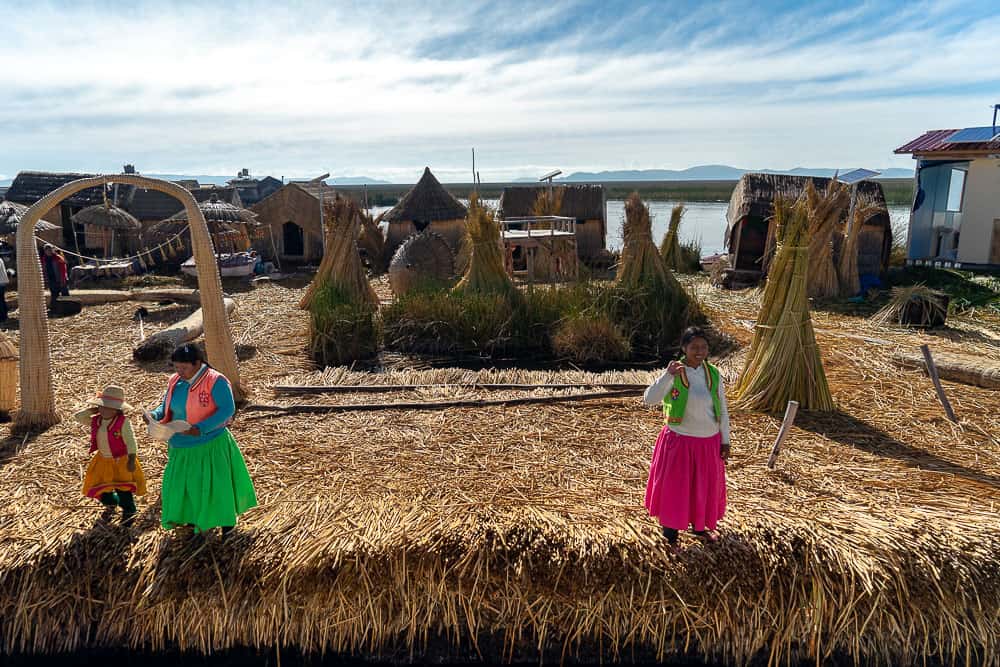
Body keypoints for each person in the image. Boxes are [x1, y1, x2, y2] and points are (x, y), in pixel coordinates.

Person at [149, 344, 257, 536]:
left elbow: (227, 409)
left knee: (216, 485)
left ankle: (226, 523)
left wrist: (200, 428)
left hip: (210, 444)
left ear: (197, 363)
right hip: (181, 445)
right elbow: (166, 405)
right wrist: (155, 415)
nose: (179, 372)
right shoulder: (175, 381)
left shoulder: (216, 381)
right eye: (176, 367)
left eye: (184, 368)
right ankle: (191, 520)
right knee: (186, 486)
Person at [643, 326, 730, 550]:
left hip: (707, 442)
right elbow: (649, 399)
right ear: (684, 348)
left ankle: (699, 528)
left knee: (702, 488)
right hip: (680, 441)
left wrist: (725, 440)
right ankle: (670, 535)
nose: (699, 351)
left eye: (703, 347)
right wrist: (666, 375)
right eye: (694, 347)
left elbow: (722, 408)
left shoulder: (713, 374)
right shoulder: (675, 372)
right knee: (675, 487)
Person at [75, 385, 147, 525]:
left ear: (117, 409)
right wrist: (92, 410)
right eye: (102, 406)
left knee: (123, 489)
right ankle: (112, 501)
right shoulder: (96, 420)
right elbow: (78, 417)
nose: (105, 410)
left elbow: (131, 441)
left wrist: (132, 459)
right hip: (103, 460)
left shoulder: (123, 422)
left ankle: (129, 511)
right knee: (101, 488)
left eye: (109, 407)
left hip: (121, 460)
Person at [0, 254, 9, 321]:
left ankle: (2, 317)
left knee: (0, 300)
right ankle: (4, 316)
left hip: (0, 282)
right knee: (2, 300)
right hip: (2, 282)